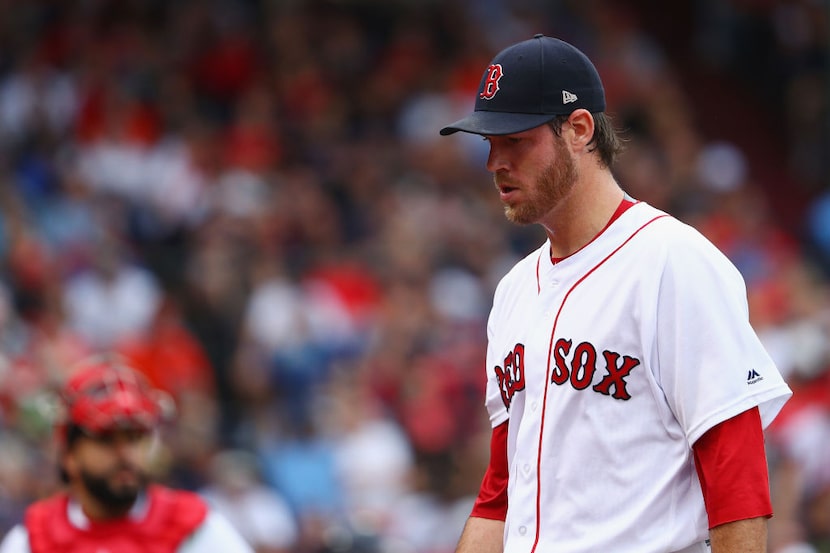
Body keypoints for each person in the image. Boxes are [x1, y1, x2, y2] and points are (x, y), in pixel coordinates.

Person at [439, 34, 793, 553]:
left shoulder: (672, 261)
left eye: (515, 139)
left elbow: (736, 481)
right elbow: (499, 498)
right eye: (489, 143)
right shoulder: (514, 291)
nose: (495, 162)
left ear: (579, 129)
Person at [0, 353, 255, 553]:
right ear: (69, 455)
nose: (125, 454)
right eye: (106, 439)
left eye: (134, 438)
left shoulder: (194, 529)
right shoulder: (33, 541)